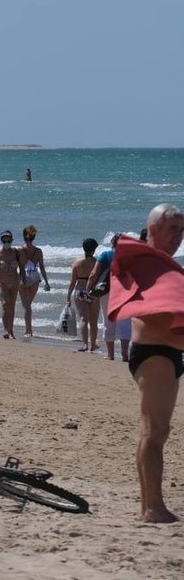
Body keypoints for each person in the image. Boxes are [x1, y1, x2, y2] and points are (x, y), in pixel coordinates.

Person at [108, 203, 184, 522]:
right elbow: (151, 315)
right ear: (153, 230)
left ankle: (148, 506)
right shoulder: (144, 267)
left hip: (166, 354)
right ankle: (153, 507)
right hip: (155, 354)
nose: (179, 237)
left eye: (182, 231)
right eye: (173, 230)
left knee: (152, 432)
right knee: (155, 433)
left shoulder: (161, 268)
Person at [87, 233, 130, 361]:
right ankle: (124, 353)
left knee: (108, 321)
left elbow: (94, 273)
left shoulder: (104, 255)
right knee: (125, 322)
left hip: (106, 292)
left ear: (112, 243)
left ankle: (111, 354)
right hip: (124, 292)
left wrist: (88, 288)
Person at [0, 230, 23, 340]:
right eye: (4, 239)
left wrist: (23, 279)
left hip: (14, 282)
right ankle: (6, 330)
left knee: (11, 306)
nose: (6, 241)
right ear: (1, 240)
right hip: (2, 282)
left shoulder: (16, 253)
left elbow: (21, 269)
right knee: (5, 304)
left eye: (8, 239)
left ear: (12, 240)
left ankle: (11, 331)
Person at [16, 225, 51, 339]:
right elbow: (42, 267)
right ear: (33, 237)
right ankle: (29, 329)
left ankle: (28, 330)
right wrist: (46, 282)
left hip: (23, 279)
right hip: (35, 279)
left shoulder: (19, 250)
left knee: (27, 306)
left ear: (23, 237)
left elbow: (17, 266)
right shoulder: (38, 251)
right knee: (28, 305)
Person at [67, 238, 101, 353]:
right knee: (93, 321)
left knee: (82, 318)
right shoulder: (97, 262)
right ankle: (93, 344)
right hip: (93, 291)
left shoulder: (77, 262)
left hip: (80, 291)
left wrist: (68, 296)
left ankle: (85, 344)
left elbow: (72, 281)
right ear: (94, 249)